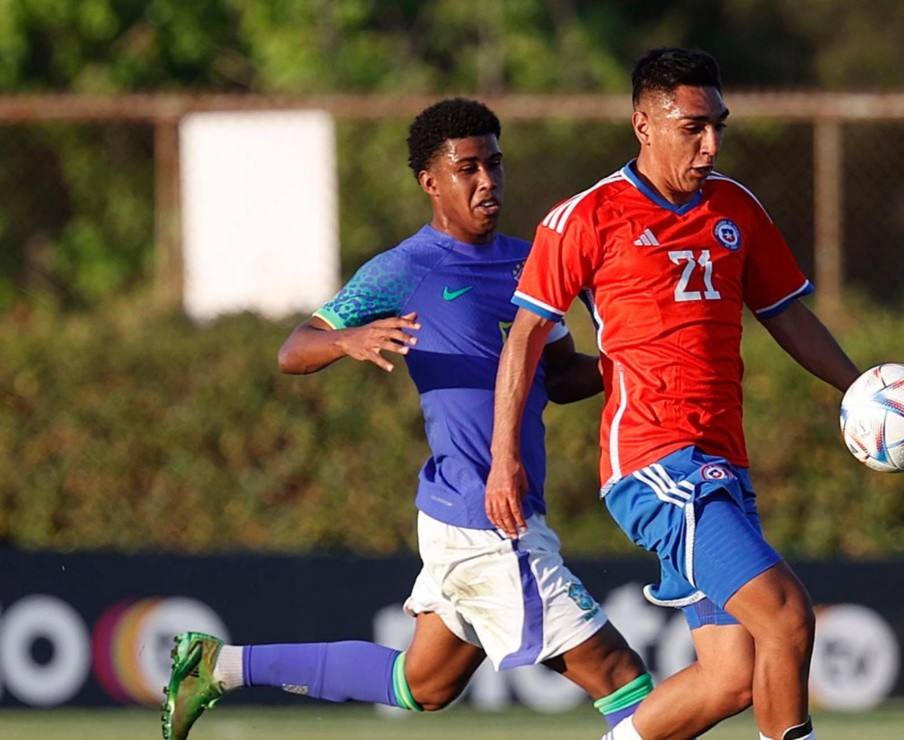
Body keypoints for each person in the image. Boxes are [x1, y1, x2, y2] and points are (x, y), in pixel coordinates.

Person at [161, 98, 652, 740]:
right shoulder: (404, 269)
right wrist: (347, 340)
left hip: (472, 511)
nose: (487, 181)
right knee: (623, 680)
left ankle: (217, 666)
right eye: (468, 168)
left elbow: (557, 377)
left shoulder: (531, 261)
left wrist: (635, 362)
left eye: (495, 164)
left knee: (421, 686)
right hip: (485, 519)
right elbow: (293, 349)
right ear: (431, 181)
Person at [485, 49, 861, 740]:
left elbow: (785, 312)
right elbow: (526, 339)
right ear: (643, 124)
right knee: (786, 616)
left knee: (730, 679)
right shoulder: (586, 217)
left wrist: (860, 388)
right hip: (656, 464)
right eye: (693, 126)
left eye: (718, 124)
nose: (711, 142)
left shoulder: (736, 208)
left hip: (722, 463)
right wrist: (502, 455)